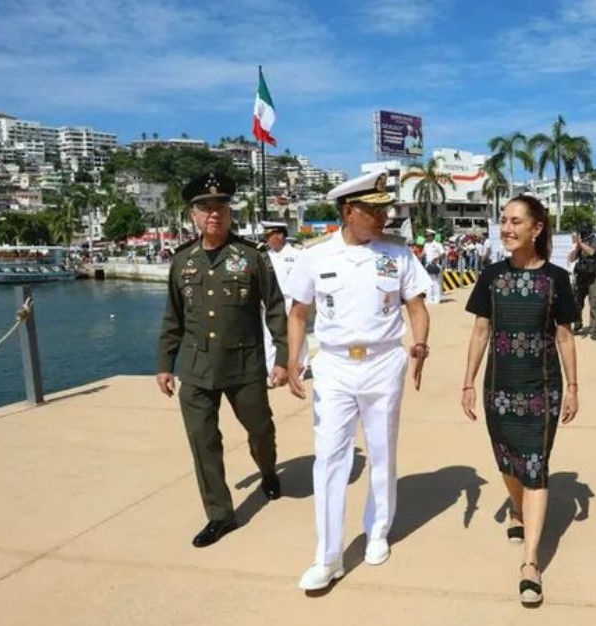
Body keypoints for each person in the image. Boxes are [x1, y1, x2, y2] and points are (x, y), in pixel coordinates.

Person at [286, 171, 432, 591]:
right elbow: (298, 313)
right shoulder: (316, 256)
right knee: (330, 457)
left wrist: (420, 345)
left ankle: (378, 531)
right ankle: (328, 556)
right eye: (374, 210)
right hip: (332, 365)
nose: (383, 216)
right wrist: (294, 359)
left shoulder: (398, 255)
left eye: (385, 209)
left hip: (384, 361)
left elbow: (417, 307)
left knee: (383, 451)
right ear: (349, 212)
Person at [156, 171, 289, 548]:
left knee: (260, 430)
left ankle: (268, 471)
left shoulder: (250, 257)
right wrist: (165, 364)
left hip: (243, 366)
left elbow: (275, 308)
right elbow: (173, 317)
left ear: (230, 212)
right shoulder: (183, 262)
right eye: (204, 208)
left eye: (220, 207)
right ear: (193, 216)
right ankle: (220, 515)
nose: (213, 213)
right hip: (196, 369)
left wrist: (282, 356)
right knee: (203, 442)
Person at [461, 194, 579, 605]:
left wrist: (574, 387)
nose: (507, 229)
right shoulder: (491, 276)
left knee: (535, 465)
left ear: (537, 227)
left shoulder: (557, 279)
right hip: (499, 387)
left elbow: (565, 336)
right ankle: (516, 507)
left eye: (515, 221)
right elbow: (480, 331)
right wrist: (469, 382)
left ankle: (530, 562)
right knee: (508, 460)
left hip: (542, 389)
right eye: (504, 221)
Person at [260, 221, 309, 381]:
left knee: (297, 335)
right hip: (270, 302)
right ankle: (272, 372)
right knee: (270, 336)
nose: (267, 239)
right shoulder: (264, 257)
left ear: (280, 235)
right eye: (266, 236)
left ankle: (299, 369)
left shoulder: (298, 254)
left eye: (270, 235)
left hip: (292, 301)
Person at [567, 224, 596, 340]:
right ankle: (578, 323)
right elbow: (572, 258)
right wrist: (576, 247)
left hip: (593, 276)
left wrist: (580, 244)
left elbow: (591, 252)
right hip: (581, 276)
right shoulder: (580, 243)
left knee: (594, 302)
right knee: (577, 301)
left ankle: (594, 329)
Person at [422, 228, 446, 304]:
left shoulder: (437, 244)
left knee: (435, 282)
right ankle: (429, 299)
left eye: (429, 236)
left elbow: (443, 253)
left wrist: (437, 258)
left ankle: (436, 299)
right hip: (427, 265)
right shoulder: (425, 244)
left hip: (435, 265)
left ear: (432, 236)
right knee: (428, 282)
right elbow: (424, 254)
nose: (427, 237)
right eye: (426, 236)